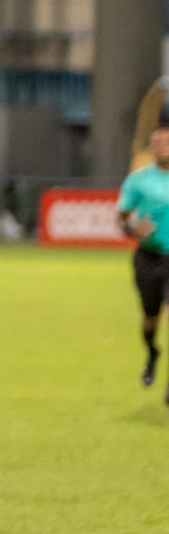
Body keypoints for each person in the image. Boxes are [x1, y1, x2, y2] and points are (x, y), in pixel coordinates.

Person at [118, 127, 169, 392]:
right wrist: (132, 230)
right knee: (151, 319)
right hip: (149, 257)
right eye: (157, 142)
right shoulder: (138, 181)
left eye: (167, 142)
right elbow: (122, 217)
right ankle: (152, 352)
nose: (163, 147)